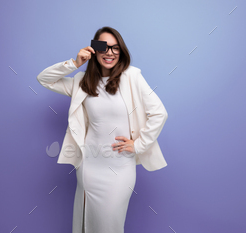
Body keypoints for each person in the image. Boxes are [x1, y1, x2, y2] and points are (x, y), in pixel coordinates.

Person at [37, 26, 168, 233]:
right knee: (86, 225)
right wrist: (74, 63)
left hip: (120, 169)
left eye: (115, 48)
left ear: (121, 51)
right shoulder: (82, 82)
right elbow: (44, 79)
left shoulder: (132, 77)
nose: (110, 53)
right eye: (104, 47)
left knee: (109, 226)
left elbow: (159, 113)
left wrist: (139, 144)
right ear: (94, 50)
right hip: (89, 168)